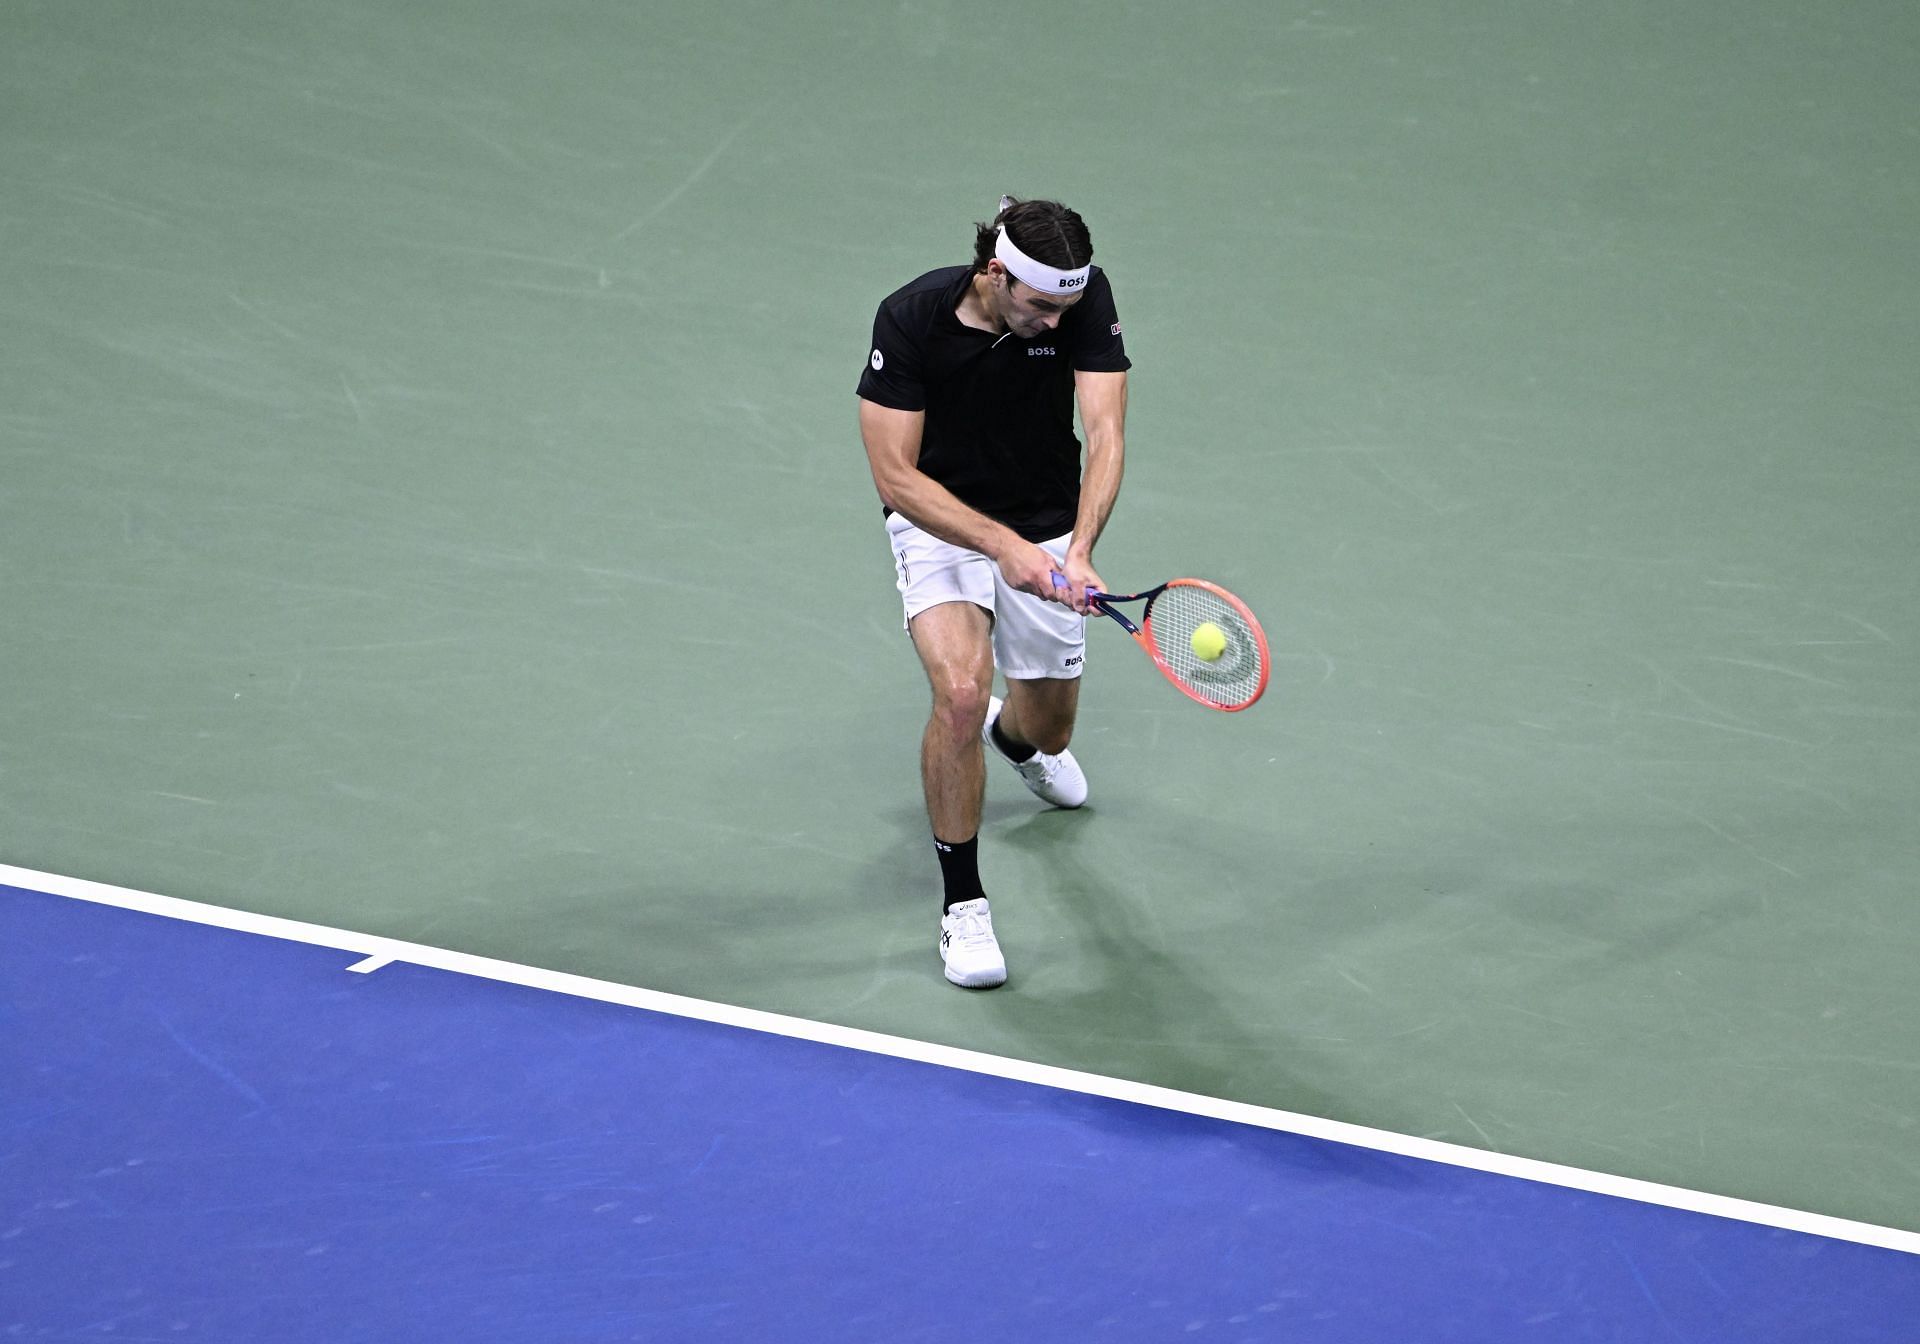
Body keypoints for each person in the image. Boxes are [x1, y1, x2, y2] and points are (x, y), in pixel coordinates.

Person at [856, 196, 1131, 990]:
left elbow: (1106, 432)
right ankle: (963, 902)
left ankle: (1019, 749)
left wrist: (1078, 548)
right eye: (1040, 306)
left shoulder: (1078, 300)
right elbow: (894, 475)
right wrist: (1000, 547)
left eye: (1068, 308)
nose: (1055, 322)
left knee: (1047, 727)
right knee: (963, 693)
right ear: (995, 272)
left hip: (1046, 516)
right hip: (938, 517)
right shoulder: (910, 318)